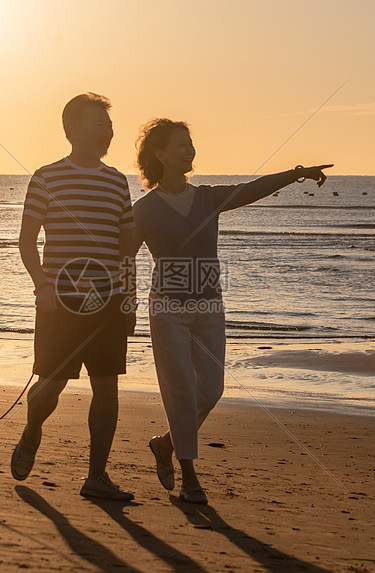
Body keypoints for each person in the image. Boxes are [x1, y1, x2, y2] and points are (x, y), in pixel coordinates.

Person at [130, 118, 332, 504]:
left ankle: (165, 445)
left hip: (209, 305)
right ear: (160, 155)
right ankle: (190, 478)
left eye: (191, 143)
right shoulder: (145, 209)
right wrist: (125, 302)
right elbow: (124, 255)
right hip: (167, 309)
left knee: (211, 388)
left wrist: (295, 174)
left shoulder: (207, 197)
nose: (189, 150)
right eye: (180, 145)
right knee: (181, 393)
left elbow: (250, 190)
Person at [14, 93, 136, 501]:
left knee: (107, 390)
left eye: (109, 125)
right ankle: (32, 432)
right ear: (72, 130)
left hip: (108, 304)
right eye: (98, 124)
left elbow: (125, 248)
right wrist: (42, 285)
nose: (108, 132)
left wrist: (129, 297)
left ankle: (96, 476)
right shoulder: (46, 177)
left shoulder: (118, 181)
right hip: (60, 302)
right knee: (50, 387)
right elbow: (27, 240)